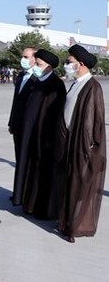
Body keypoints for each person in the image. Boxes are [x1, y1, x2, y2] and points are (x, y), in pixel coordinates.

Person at [58, 45, 106, 242]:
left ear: (81, 64)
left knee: (80, 186)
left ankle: (77, 227)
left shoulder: (92, 87)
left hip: (82, 146)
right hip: (69, 142)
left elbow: (94, 121)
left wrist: (89, 147)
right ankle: (65, 222)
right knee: (69, 185)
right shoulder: (76, 83)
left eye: (69, 62)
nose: (67, 65)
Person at [20, 49, 66, 219]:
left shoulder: (56, 85)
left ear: (49, 67)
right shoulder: (38, 81)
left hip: (46, 138)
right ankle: (29, 205)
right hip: (32, 135)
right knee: (32, 171)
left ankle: (42, 209)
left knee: (44, 173)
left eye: (39, 65)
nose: (36, 67)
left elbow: (54, 115)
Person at [8, 47, 37, 206]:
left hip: (29, 128)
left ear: (34, 59)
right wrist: (11, 122)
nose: (23, 59)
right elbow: (16, 102)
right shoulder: (21, 77)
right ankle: (18, 193)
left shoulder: (37, 79)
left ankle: (26, 195)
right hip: (17, 125)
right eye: (22, 57)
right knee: (19, 160)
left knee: (28, 162)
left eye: (26, 57)